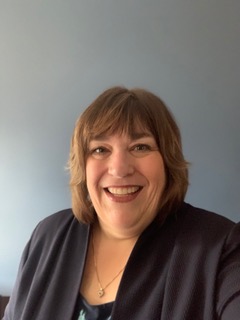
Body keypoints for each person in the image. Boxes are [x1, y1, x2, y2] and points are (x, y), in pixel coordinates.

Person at [3, 86, 240, 320]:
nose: (119, 169)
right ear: (83, 167)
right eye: (99, 149)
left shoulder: (222, 246)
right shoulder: (46, 236)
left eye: (140, 147)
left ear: (168, 161)